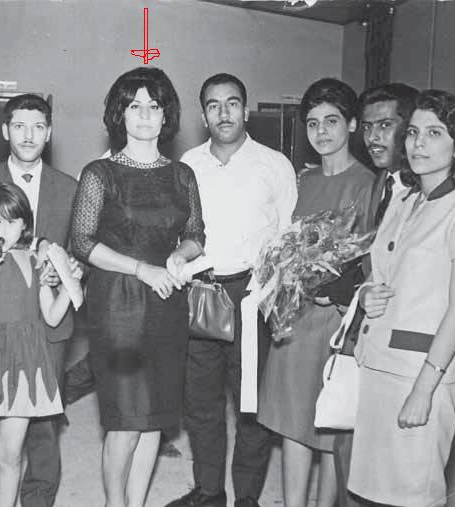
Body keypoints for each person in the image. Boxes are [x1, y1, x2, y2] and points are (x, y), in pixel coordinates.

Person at [348, 90, 455, 506]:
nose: (418, 143)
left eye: (434, 133)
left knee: (414, 493)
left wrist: (424, 390)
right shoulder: (404, 199)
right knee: (373, 493)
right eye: (412, 132)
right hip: (378, 367)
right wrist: (366, 294)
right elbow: (382, 272)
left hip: (420, 373)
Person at [70, 66, 205, 507]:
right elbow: (81, 241)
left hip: (167, 303)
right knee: (126, 420)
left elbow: (196, 234)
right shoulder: (100, 173)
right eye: (134, 105)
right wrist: (141, 269)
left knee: (155, 419)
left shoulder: (182, 175)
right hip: (118, 306)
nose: (145, 114)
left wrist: (180, 255)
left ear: (167, 115)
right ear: (120, 114)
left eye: (154, 105)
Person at [168, 73, 296, 507]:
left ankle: (247, 497)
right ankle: (209, 491)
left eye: (232, 103)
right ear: (203, 115)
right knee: (200, 402)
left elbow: (288, 237)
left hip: (252, 295)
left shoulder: (274, 164)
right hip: (201, 292)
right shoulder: (188, 164)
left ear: (246, 110)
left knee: (251, 405)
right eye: (214, 105)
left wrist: (272, 293)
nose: (224, 113)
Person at [258, 78, 373, 507]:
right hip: (295, 315)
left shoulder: (368, 184)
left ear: (352, 124)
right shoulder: (303, 181)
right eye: (312, 123)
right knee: (292, 421)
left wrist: (335, 289)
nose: (321, 131)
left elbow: (369, 259)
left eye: (331, 121)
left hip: (333, 319)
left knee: (328, 421)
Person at [0, 182, 77, 507]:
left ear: (24, 225)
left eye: (10, 221)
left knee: (11, 455)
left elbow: (52, 317)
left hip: (25, 363)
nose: (1, 230)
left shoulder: (35, 261)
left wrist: (69, 286)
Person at [0, 93, 78, 507]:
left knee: (42, 420)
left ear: (49, 133)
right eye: (19, 126)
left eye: (38, 127)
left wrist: (67, 270)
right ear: (5, 130)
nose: (28, 135)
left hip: (47, 317)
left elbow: (82, 249)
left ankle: (38, 499)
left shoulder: (70, 187)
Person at [329, 82, 419, 507]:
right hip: (364, 332)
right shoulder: (381, 182)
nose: (372, 137)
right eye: (367, 127)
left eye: (386, 125)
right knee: (347, 445)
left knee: (390, 465)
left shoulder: (427, 192)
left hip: (401, 349)